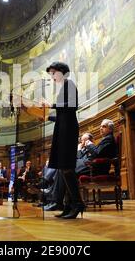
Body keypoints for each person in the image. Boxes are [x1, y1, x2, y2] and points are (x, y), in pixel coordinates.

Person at [43, 61, 84, 219]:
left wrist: (52, 104)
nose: (52, 77)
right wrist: (46, 115)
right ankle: (68, 205)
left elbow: (73, 106)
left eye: (53, 73)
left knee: (67, 168)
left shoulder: (70, 84)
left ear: (61, 71)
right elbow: (62, 114)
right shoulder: (64, 87)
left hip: (68, 131)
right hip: (62, 129)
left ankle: (77, 204)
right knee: (63, 169)